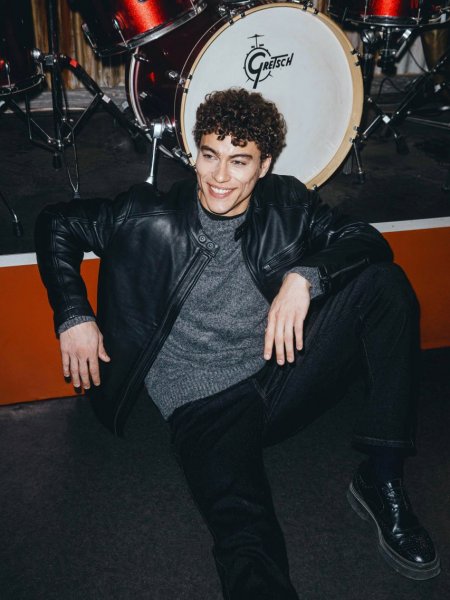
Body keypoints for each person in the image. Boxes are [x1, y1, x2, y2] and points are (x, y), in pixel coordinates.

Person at [35, 88, 440, 598]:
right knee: (246, 533)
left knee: (385, 285)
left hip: (278, 368)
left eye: (239, 161)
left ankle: (381, 477)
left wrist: (304, 277)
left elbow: (366, 240)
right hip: (204, 402)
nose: (220, 176)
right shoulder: (145, 215)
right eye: (210, 156)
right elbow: (56, 223)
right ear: (195, 155)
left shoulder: (289, 204)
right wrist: (74, 314)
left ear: (264, 166)